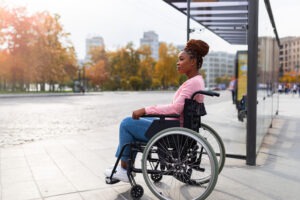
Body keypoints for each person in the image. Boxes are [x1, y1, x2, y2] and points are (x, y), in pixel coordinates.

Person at [104, 39, 209, 182]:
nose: (177, 63)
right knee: (134, 122)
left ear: (193, 61)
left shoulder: (192, 83)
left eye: (181, 59)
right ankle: (124, 166)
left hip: (172, 130)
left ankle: (123, 168)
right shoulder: (197, 81)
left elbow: (176, 109)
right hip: (177, 126)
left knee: (126, 124)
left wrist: (146, 110)